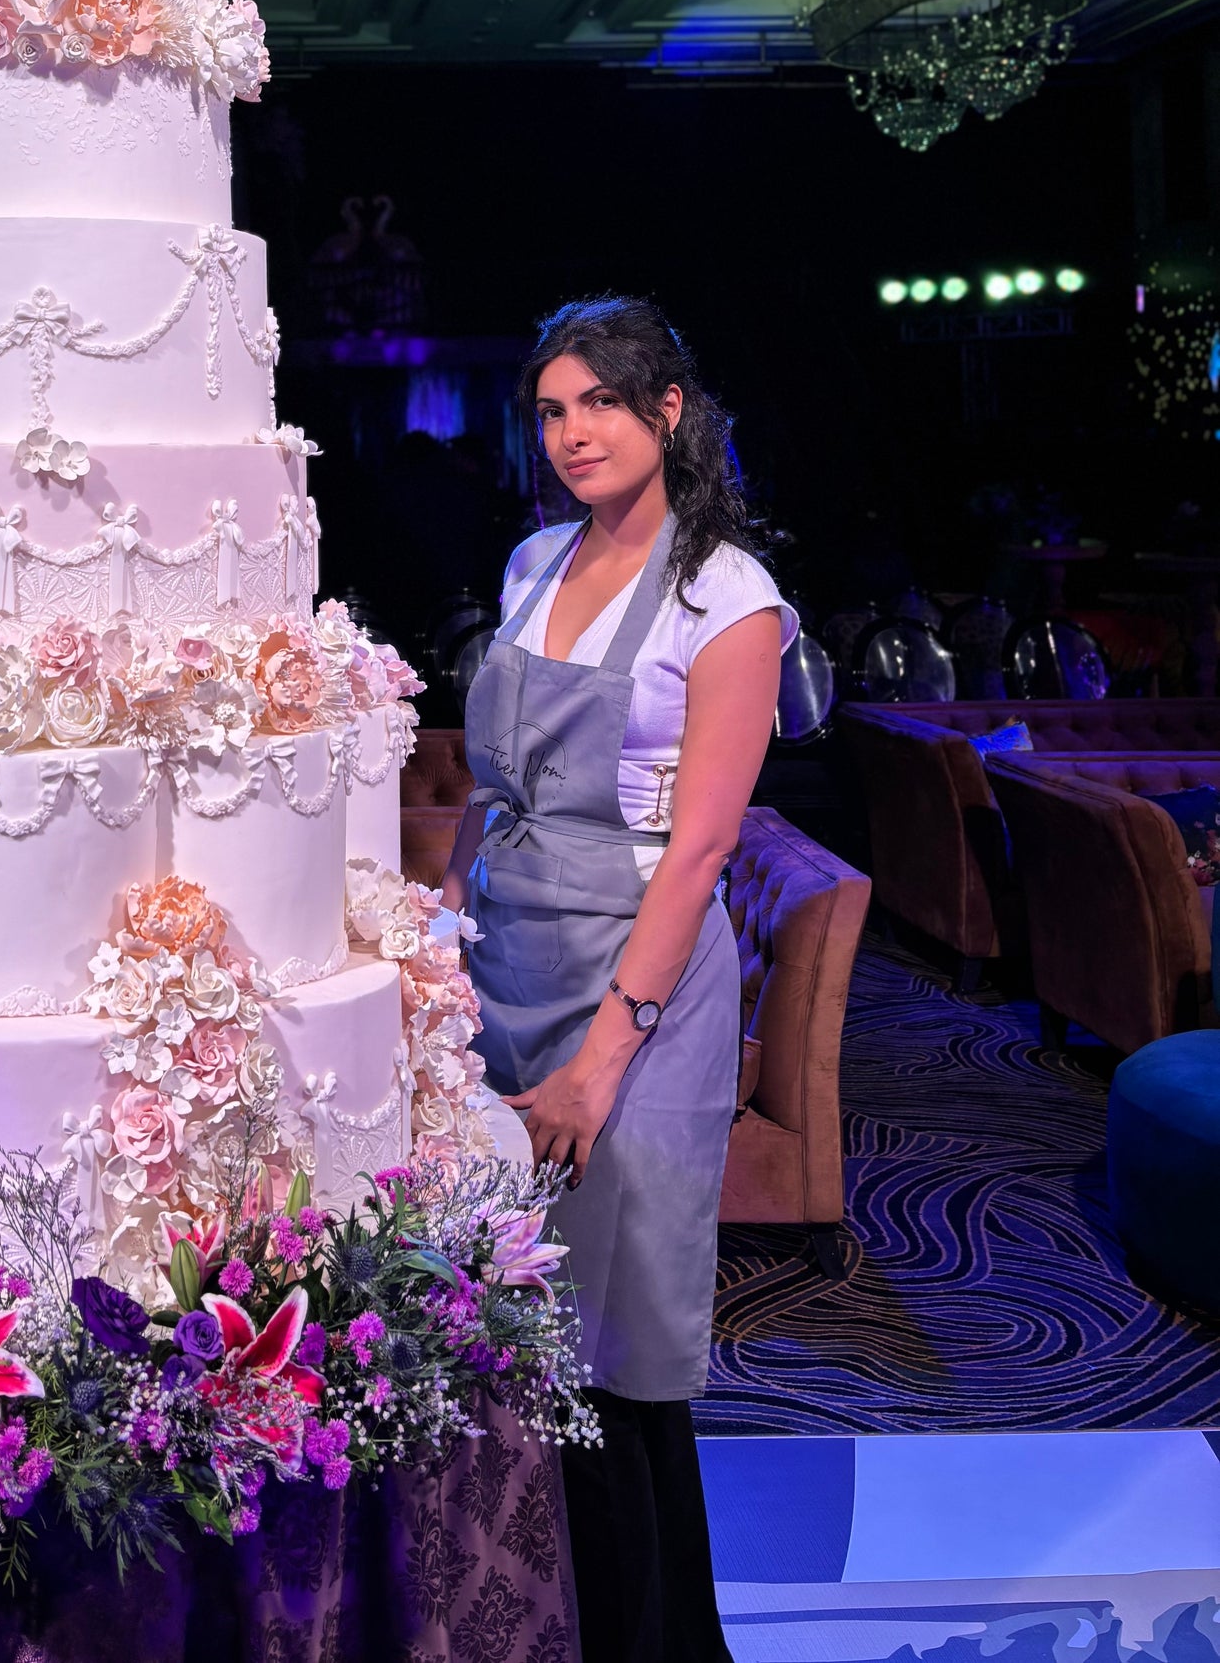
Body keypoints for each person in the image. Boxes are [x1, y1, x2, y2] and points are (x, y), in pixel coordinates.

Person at [441, 295, 793, 1663]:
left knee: (619, 1337)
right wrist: (443, 939)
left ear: (667, 409)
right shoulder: (535, 561)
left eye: (598, 401)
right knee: (507, 1321)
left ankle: (656, 1640)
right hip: (509, 956)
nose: (571, 432)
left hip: (636, 978)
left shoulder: (728, 595)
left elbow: (698, 852)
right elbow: (493, 791)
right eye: (549, 409)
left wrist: (599, 1062)